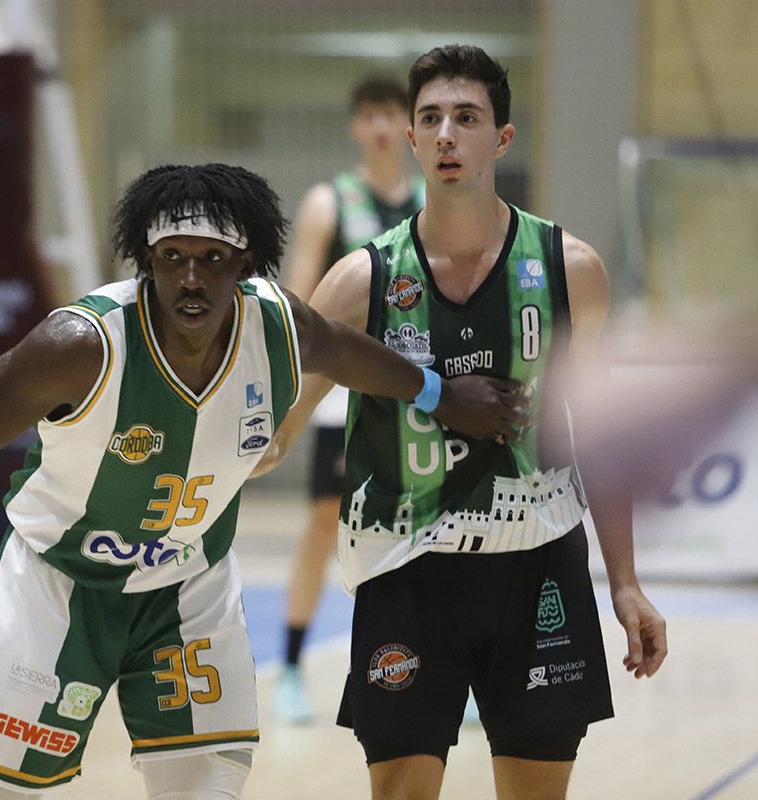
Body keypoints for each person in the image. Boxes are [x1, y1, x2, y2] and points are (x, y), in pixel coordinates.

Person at [0, 163, 528, 799]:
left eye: (211, 258)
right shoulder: (79, 345)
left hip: (186, 588)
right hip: (59, 586)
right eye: (173, 257)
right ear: (146, 258)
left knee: (207, 783)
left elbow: (346, 351)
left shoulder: (280, 327)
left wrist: (439, 394)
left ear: (245, 264)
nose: (191, 277)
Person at [256, 45, 668, 799]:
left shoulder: (570, 269)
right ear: (412, 139)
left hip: (539, 563)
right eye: (431, 119)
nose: (446, 133)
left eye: (467, 118)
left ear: (501, 139)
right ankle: (287, 665)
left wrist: (629, 582)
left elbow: (603, 438)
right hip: (406, 569)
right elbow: (280, 423)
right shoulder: (359, 281)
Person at [271, 76, 426, 724]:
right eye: (371, 116)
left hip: (416, 388)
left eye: (393, 114)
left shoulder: (431, 200)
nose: (383, 127)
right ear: (357, 127)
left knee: (429, 528)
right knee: (322, 523)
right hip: (342, 393)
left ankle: (444, 667)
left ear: (408, 127)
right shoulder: (329, 201)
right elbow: (299, 302)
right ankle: (291, 667)